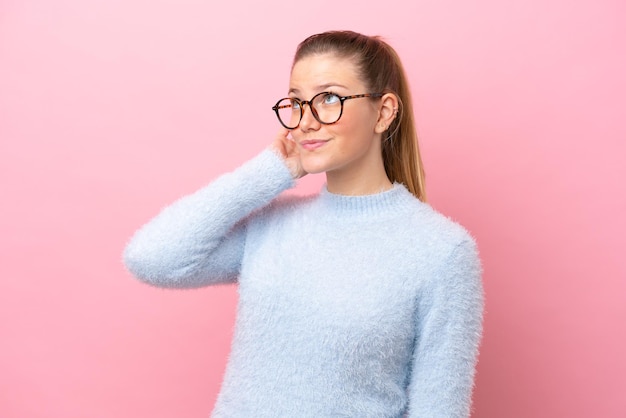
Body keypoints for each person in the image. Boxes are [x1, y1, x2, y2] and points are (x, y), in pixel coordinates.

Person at [124, 30, 484, 417]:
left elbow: (439, 409)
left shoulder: (442, 252)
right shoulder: (273, 224)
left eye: (329, 98)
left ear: (383, 112)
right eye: (297, 102)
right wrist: (269, 171)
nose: (306, 120)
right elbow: (151, 258)